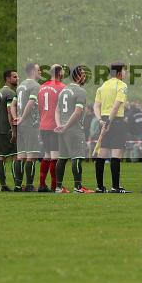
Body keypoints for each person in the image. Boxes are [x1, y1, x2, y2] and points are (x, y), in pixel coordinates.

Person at [94, 63, 129, 193]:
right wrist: (109, 122)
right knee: (116, 154)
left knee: (102, 154)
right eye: (124, 71)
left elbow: (96, 106)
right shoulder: (122, 85)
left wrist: (100, 120)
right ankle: (115, 187)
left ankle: (100, 187)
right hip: (115, 121)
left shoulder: (103, 86)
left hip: (103, 121)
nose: (125, 73)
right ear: (119, 73)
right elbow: (115, 106)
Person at [55, 65, 91, 193]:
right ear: (78, 76)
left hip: (62, 130)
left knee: (62, 158)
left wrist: (59, 125)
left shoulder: (63, 91)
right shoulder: (80, 91)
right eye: (83, 74)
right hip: (74, 129)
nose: (85, 77)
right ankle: (78, 187)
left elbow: (57, 110)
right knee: (77, 157)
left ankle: (58, 187)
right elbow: (77, 112)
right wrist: (66, 127)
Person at [37, 64, 65, 191]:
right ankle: (55, 186)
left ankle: (42, 185)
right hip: (54, 126)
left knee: (47, 155)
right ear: (59, 73)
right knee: (55, 156)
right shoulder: (62, 87)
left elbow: (39, 107)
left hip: (43, 125)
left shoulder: (42, 87)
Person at [16, 62, 41, 191]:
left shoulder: (20, 86)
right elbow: (31, 103)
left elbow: (14, 104)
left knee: (21, 155)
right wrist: (23, 118)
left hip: (19, 124)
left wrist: (17, 118)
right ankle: (29, 185)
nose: (40, 72)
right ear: (32, 71)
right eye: (39, 70)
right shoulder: (35, 85)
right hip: (30, 123)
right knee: (32, 155)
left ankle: (17, 185)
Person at [0, 69, 19, 192]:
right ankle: (17, 184)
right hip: (6, 129)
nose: (17, 79)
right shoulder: (10, 93)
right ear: (8, 78)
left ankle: (3, 185)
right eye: (14, 77)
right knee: (15, 156)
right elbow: (10, 112)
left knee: (1, 157)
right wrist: (13, 131)